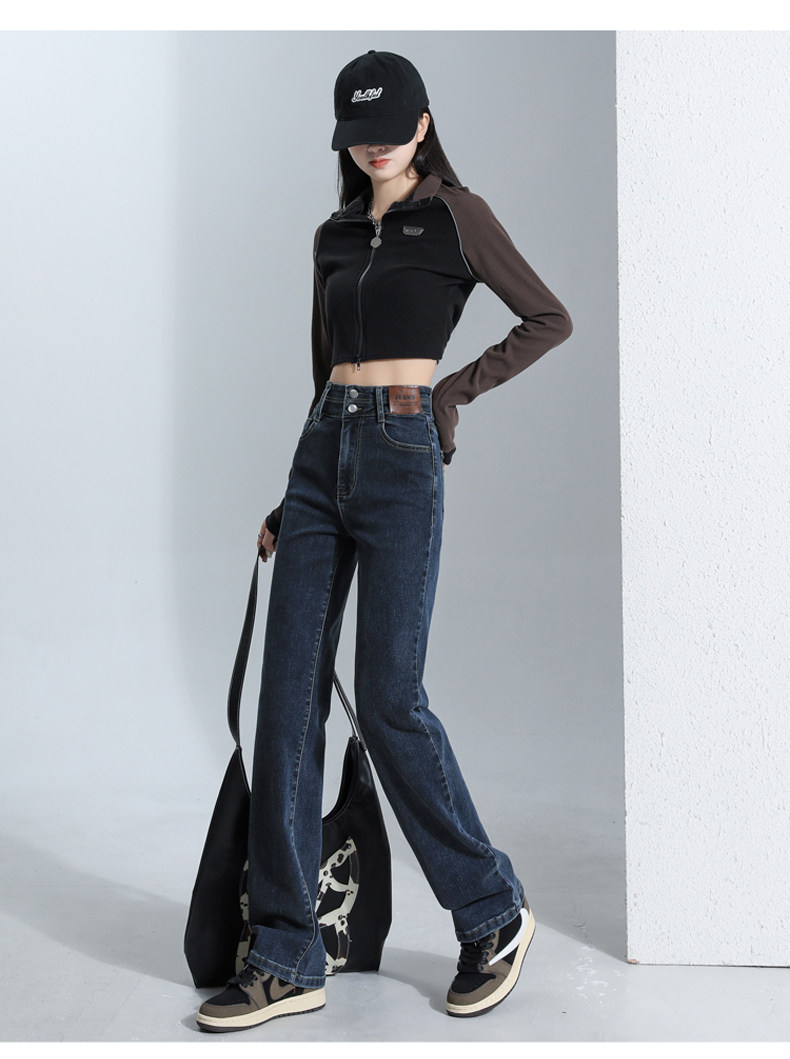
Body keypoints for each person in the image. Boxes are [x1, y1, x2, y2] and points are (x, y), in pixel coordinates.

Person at [196, 49, 572, 1033]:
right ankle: (287, 953)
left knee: (391, 698)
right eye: (358, 134)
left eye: (390, 131)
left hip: (404, 454)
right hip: (322, 457)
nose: (375, 147)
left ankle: (491, 910)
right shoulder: (332, 235)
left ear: (423, 125)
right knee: (285, 703)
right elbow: (324, 375)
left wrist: (451, 394)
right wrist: (293, 496)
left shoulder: (456, 216)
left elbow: (548, 316)